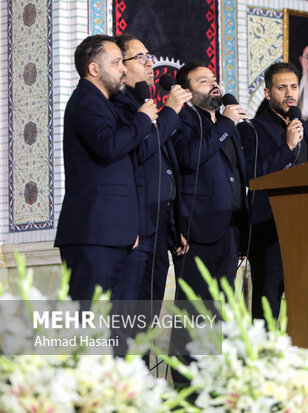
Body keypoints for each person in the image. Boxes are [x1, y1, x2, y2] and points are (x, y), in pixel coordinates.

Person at [55, 35, 157, 300]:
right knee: (90, 325)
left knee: (112, 329)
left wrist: (128, 228)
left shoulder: (102, 104)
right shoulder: (86, 101)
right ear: (94, 68)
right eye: (115, 62)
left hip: (112, 233)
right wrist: (144, 119)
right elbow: (109, 145)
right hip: (93, 234)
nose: (123, 68)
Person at [238, 62, 308, 320]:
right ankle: (263, 359)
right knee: (266, 310)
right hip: (270, 234)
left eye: (294, 86)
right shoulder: (250, 131)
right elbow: (252, 176)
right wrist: (287, 148)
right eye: (281, 87)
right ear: (268, 94)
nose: (289, 93)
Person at [112, 33, 192, 302]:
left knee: (149, 317)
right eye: (140, 57)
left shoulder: (148, 107)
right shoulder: (119, 107)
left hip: (159, 226)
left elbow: (167, 171)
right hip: (135, 228)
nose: (149, 63)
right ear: (120, 67)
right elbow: (140, 151)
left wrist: (174, 225)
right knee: (128, 318)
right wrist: (170, 112)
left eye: (150, 57)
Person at [172, 61, 249, 301]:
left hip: (231, 227)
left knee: (223, 308)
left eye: (213, 79)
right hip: (197, 228)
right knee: (194, 310)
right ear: (186, 92)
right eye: (203, 81)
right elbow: (190, 157)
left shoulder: (227, 124)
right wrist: (226, 123)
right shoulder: (182, 118)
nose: (213, 84)